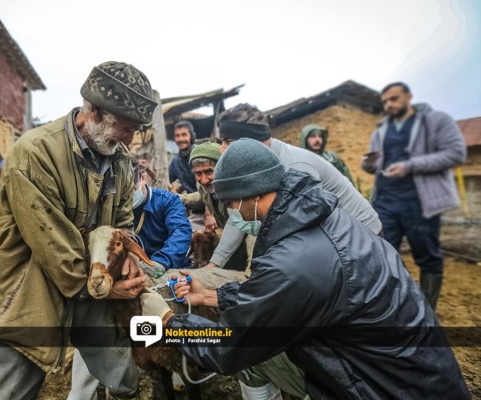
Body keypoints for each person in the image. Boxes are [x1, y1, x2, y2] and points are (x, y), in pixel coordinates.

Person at [140, 139, 471, 399]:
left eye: (230, 203)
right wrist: (213, 296)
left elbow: (229, 347)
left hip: (382, 387)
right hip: (410, 373)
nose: (231, 212)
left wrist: (169, 322)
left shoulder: (294, 261)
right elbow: (280, 294)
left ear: (249, 195)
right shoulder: (321, 218)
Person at [0, 61, 158, 400]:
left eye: (135, 130)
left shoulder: (120, 160)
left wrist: (127, 253)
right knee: (2, 390)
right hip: (33, 287)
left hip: (97, 286)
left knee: (124, 378)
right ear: (94, 111)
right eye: (125, 128)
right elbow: (53, 246)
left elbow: (124, 220)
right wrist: (106, 289)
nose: (129, 139)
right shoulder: (35, 153)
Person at [67, 162, 192, 400]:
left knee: (164, 323)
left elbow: (181, 233)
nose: (128, 194)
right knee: (97, 327)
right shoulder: (109, 209)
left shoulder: (167, 201)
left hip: (162, 272)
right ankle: (86, 392)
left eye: (131, 186)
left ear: (143, 178)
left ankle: (173, 365)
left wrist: (154, 264)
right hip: (117, 282)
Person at [205, 103, 381, 270]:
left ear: (252, 141)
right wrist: (215, 264)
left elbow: (306, 231)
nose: (221, 150)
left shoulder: (295, 168)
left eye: (227, 141)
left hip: (362, 237)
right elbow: (240, 215)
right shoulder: (256, 167)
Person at [362, 82, 466, 311]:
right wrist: (368, 164)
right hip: (385, 201)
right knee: (384, 254)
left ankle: (428, 310)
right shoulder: (381, 130)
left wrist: (410, 166)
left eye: (394, 98)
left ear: (408, 96)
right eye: (385, 101)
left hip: (420, 201)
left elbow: (455, 153)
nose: (389, 104)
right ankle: (396, 307)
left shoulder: (436, 121)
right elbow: (374, 167)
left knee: (427, 256)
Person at [179, 141, 251, 271]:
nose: (204, 179)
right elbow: (204, 194)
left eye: (209, 171)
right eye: (198, 173)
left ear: (222, 168)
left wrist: (214, 264)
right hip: (229, 241)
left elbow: (236, 224)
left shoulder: (235, 187)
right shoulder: (202, 184)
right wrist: (182, 199)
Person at [168, 120, 197, 194]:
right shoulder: (175, 162)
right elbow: (168, 181)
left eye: (184, 135)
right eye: (177, 136)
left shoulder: (201, 155)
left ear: (192, 136)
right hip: (188, 202)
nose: (180, 139)